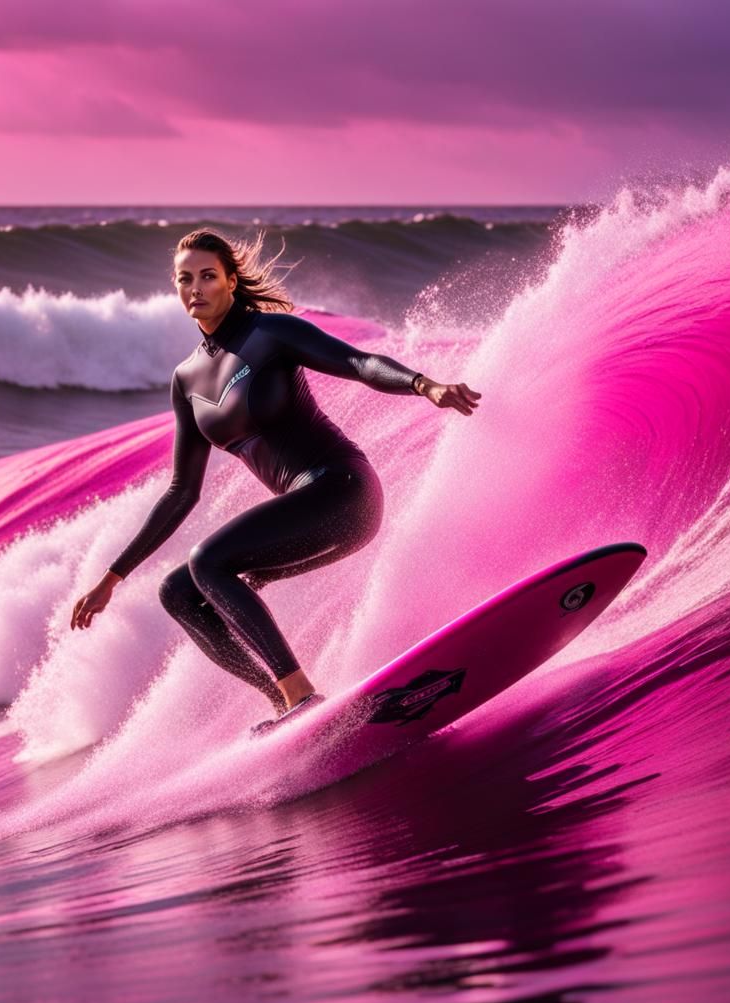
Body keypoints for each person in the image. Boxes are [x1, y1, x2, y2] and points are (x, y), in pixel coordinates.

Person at [72, 228, 480, 733]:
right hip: (307, 516)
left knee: (208, 560)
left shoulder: (270, 333)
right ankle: (285, 703)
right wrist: (112, 579)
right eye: (184, 279)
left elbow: (357, 362)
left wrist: (423, 385)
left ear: (230, 281)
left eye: (207, 276)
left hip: (343, 491)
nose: (195, 288)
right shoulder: (187, 379)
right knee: (178, 591)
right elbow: (182, 491)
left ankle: (299, 693)